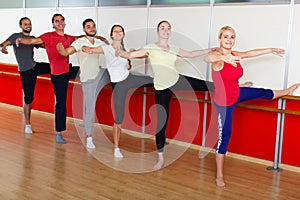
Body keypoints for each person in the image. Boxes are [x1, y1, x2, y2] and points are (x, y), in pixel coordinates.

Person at [203, 25, 300, 188]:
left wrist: (270, 49)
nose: (229, 40)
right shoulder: (217, 57)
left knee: (262, 92)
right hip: (224, 103)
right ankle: (219, 175)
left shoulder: (235, 55)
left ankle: (286, 90)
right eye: (225, 36)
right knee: (224, 137)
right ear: (220, 39)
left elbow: (249, 54)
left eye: (232, 37)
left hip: (236, 92)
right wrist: (224, 59)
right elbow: (208, 58)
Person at [116, 20, 216, 169]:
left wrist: (209, 50)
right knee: (161, 124)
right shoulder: (150, 48)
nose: (165, 31)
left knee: (205, 85)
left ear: (170, 32)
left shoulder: (173, 48)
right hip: (161, 87)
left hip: (176, 80)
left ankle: (235, 86)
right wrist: (120, 52)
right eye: (163, 28)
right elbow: (132, 54)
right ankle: (160, 158)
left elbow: (190, 54)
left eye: (168, 29)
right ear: (158, 32)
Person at [15, 13, 108, 144]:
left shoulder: (68, 38)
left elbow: (79, 37)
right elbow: (32, 41)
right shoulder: (48, 36)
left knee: (89, 71)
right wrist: (20, 40)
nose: (60, 23)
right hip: (58, 75)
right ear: (53, 24)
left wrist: (97, 37)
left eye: (62, 20)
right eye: (57, 21)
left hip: (68, 69)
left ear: (64, 23)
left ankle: (86, 120)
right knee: (61, 103)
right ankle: (59, 132)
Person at [82, 24, 154, 158]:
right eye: (115, 31)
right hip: (118, 84)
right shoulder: (106, 48)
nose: (117, 33)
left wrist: (139, 53)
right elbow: (90, 49)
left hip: (129, 77)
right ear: (112, 35)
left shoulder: (127, 50)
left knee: (153, 81)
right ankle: (116, 148)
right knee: (119, 117)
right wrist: (85, 48)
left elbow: (143, 55)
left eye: (120, 31)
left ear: (123, 34)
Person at [56, 18, 110, 149]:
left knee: (117, 74)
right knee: (89, 109)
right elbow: (67, 51)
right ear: (84, 29)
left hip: (99, 75)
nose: (91, 28)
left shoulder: (98, 42)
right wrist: (61, 50)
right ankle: (89, 137)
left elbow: (112, 51)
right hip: (88, 80)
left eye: (93, 26)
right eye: (88, 27)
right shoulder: (79, 42)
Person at [0, 17, 50, 134]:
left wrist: (56, 47)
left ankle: (73, 70)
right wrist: (3, 47)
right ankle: (28, 124)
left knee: (53, 67)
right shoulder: (15, 36)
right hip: (26, 72)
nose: (28, 26)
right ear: (20, 26)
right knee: (28, 99)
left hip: (35, 67)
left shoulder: (32, 39)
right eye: (25, 24)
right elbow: (4, 43)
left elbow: (44, 46)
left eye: (29, 24)